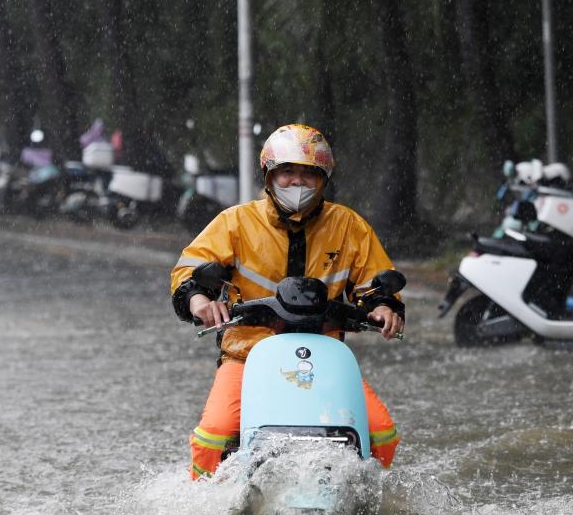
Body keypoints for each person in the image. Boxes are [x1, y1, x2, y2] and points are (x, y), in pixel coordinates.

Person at [170, 123, 404, 480]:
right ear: (268, 177)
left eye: (308, 175)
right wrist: (199, 299)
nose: (297, 183)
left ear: (323, 178)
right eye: (287, 173)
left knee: (382, 433)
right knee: (212, 436)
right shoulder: (235, 222)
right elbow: (187, 270)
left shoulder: (349, 226)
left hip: (326, 360)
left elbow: (376, 282)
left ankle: (366, 505)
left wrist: (384, 307)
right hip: (247, 356)